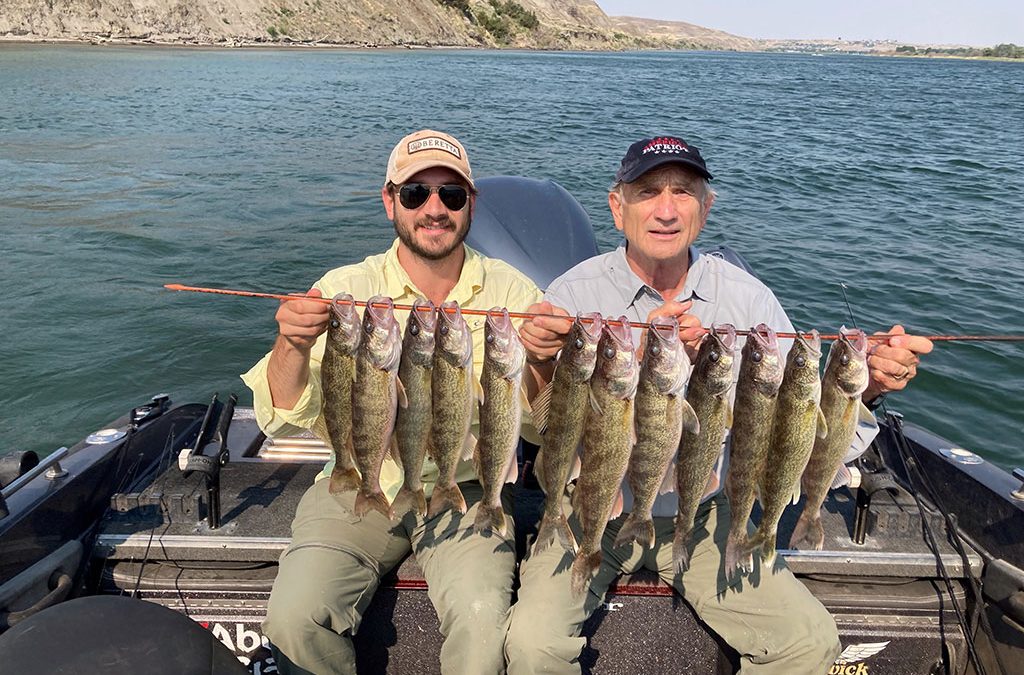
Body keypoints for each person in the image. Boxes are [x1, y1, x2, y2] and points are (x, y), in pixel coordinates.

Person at [510, 135, 934, 673]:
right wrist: (544, 363)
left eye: (683, 193)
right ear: (618, 209)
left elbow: (798, 432)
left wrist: (861, 386)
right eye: (647, 192)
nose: (665, 210)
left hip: (710, 515)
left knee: (810, 643)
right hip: (592, 506)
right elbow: (542, 431)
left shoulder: (749, 301)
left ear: (705, 210)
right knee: (530, 646)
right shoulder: (573, 296)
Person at [241, 129, 548, 675]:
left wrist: (547, 361)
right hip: (362, 477)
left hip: (469, 489)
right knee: (293, 620)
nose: (435, 209)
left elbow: (544, 430)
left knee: (483, 631)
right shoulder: (344, 285)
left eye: (451, 196)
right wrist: (289, 343)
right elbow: (283, 415)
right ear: (390, 202)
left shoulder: (514, 295)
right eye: (415, 194)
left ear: (471, 205)